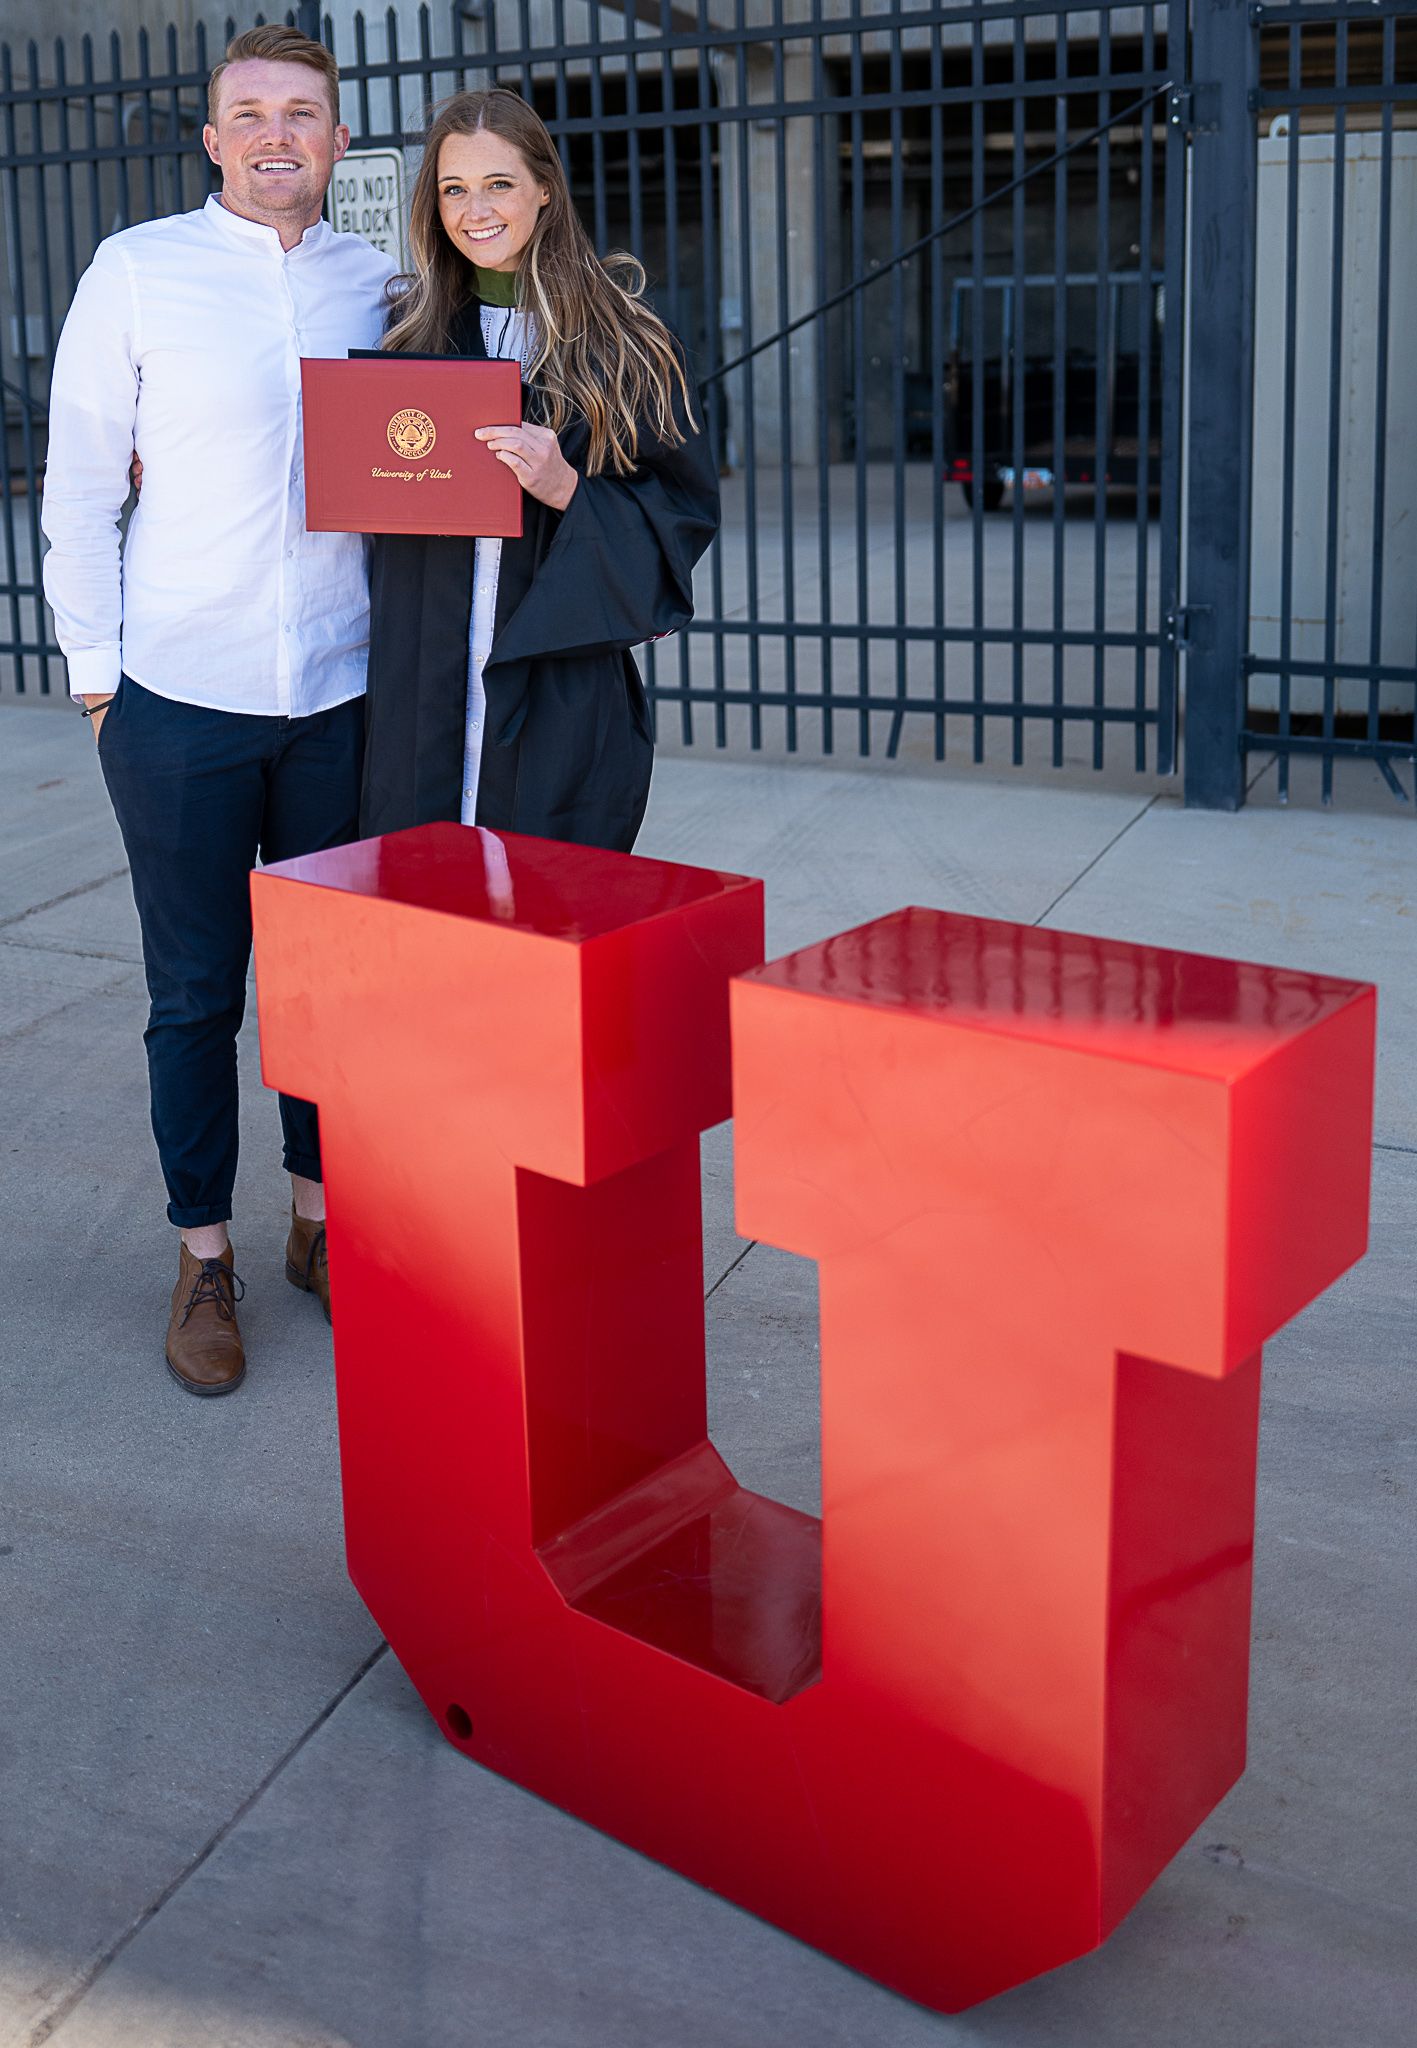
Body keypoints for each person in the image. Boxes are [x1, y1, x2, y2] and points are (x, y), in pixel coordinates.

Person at [41, 26, 394, 1397]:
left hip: (340, 695)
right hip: (179, 699)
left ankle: (317, 1224)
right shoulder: (137, 270)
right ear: (211, 140)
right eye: (249, 113)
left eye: (301, 112)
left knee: (326, 992)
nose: (274, 134)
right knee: (195, 994)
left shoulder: (382, 282)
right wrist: (98, 680)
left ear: (338, 141)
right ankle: (203, 1256)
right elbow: (79, 486)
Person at [360, 88, 720, 849]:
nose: (474, 211)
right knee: (425, 890)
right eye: (453, 189)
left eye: (499, 184)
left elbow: (682, 514)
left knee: (543, 894)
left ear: (545, 188)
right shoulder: (405, 335)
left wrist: (568, 490)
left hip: (555, 688)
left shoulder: (626, 343)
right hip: (419, 686)